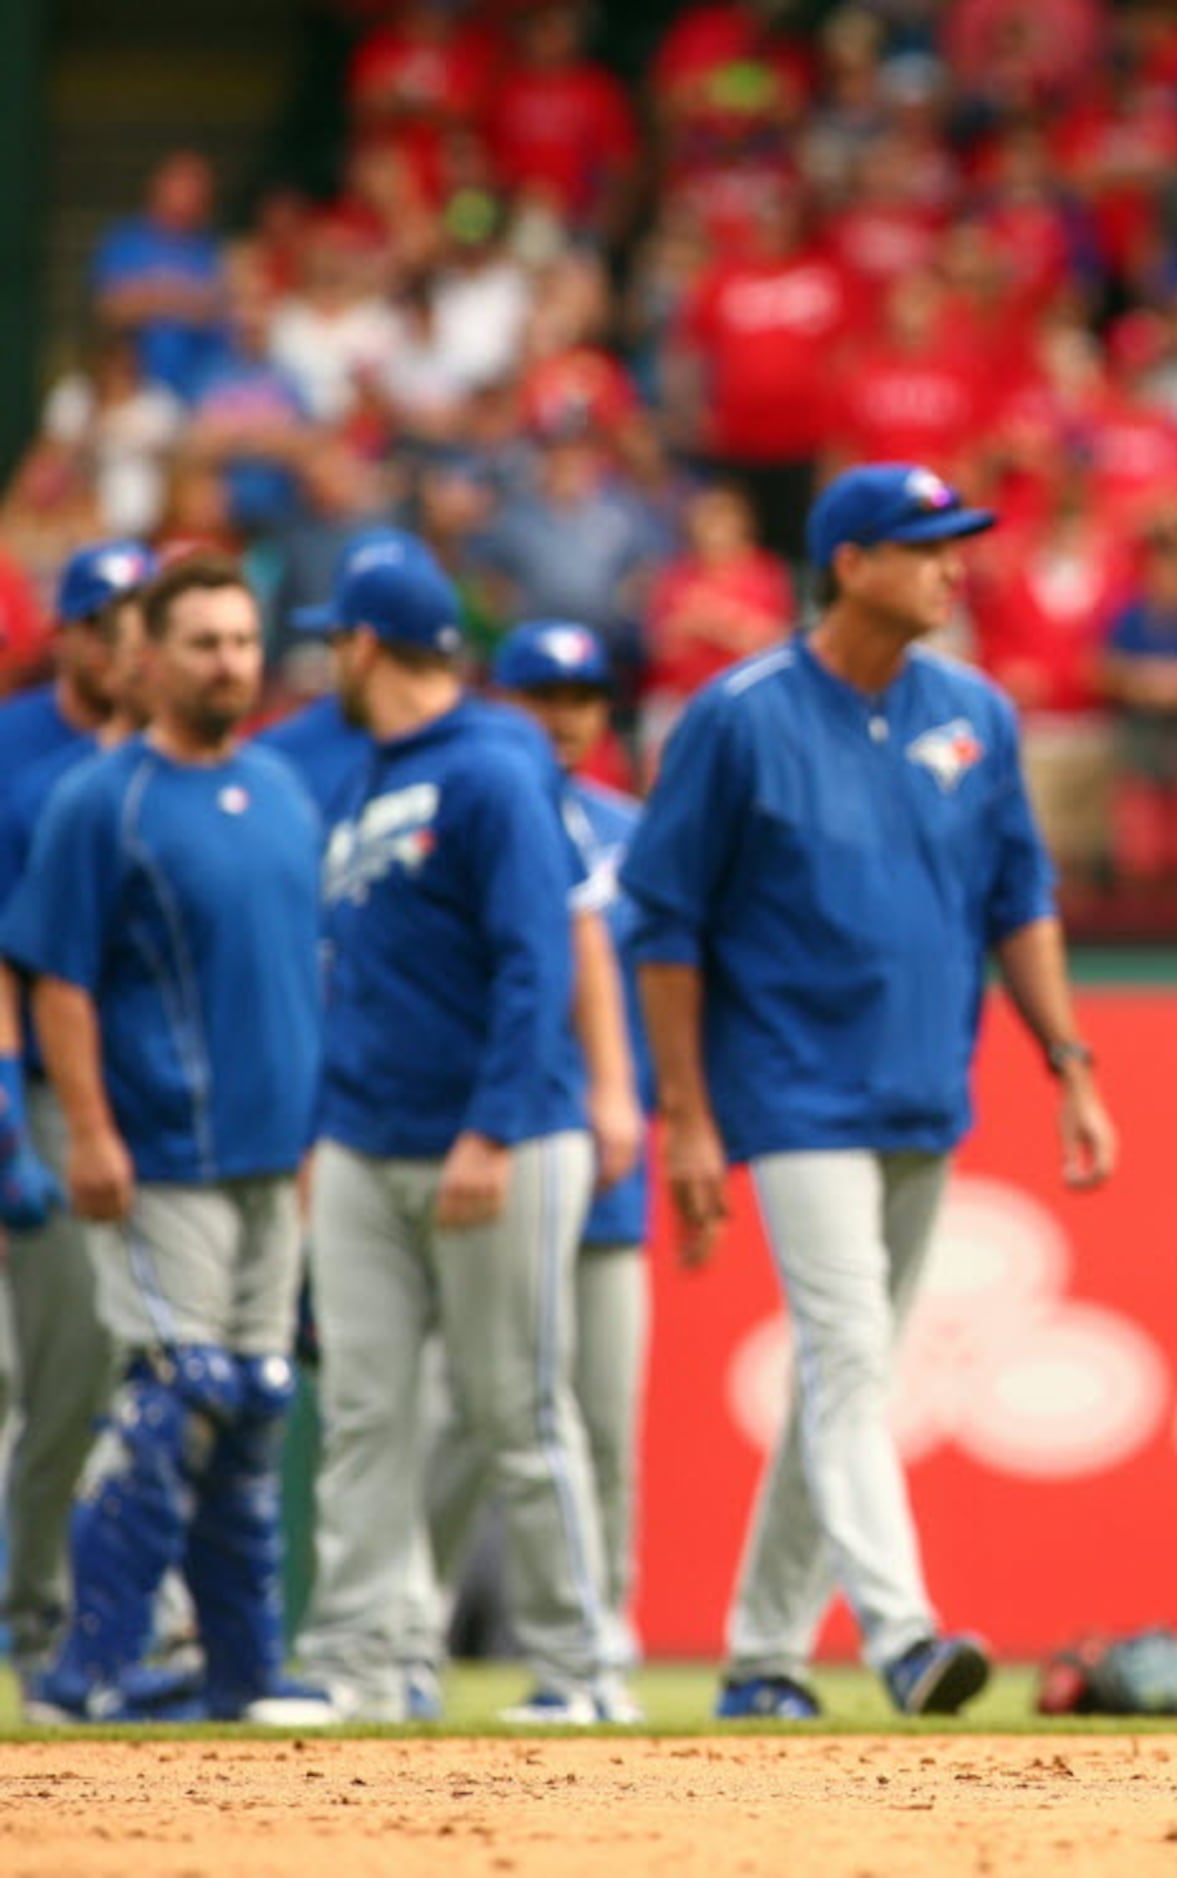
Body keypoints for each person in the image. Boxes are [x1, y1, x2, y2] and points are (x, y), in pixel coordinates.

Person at [622, 461, 1118, 1722]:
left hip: (919, 1088)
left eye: (958, 543)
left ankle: (759, 1661)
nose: (955, 565)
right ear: (849, 562)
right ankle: (903, 1637)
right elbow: (664, 927)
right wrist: (684, 1114)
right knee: (849, 1358)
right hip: (789, 1091)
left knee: (840, 1380)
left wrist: (1069, 1065)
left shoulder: (976, 712)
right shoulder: (735, 716)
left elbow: (1022, 901)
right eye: (928, 544)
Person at [291, 535, 629, 1724]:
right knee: (366, 1413)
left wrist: (491, 1129)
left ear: (365, 643)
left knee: (519, 1413)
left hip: (498, 1141)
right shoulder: (373, 771)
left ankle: (584, 1672)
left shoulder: (492, 764)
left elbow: (541, 958)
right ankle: (363, 1662)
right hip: (364, 1137)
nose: (329, 657)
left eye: (335, 637)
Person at [1, 554, 334, 1725]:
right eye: (202, 643)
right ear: (148, 661)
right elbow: (60, 983)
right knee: (168, 1397)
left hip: (268, 1162)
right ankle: (84, 1670)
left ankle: (245, 1673)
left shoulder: (285, 791)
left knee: (255, 1400)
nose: (229, 663)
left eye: (243, 640)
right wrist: (86, 1133)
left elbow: (301, 976)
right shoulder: (105, 800)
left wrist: (307, 1143)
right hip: (159, 1157)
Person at [408, 619, 658, 1722]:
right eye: (538, 692)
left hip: (600, 1168)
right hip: (494, 1150)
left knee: (599, 1417)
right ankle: (402, 1632)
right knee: (463, 1414)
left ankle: (596, 1637)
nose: (563, 717)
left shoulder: (635, 835)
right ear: (493, 698)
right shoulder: (452, 814)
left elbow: (667, 991)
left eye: (583, 695)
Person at [0, 540, 155, 1714]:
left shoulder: (181, 759)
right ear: (72, 633)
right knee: (60, 1368)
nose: (132, 642)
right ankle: (39, 1613)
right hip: (43, 1091)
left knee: (146, 1364)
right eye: (114, 621)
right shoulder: (17, 750)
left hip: (156, 1099)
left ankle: (131, 1624)